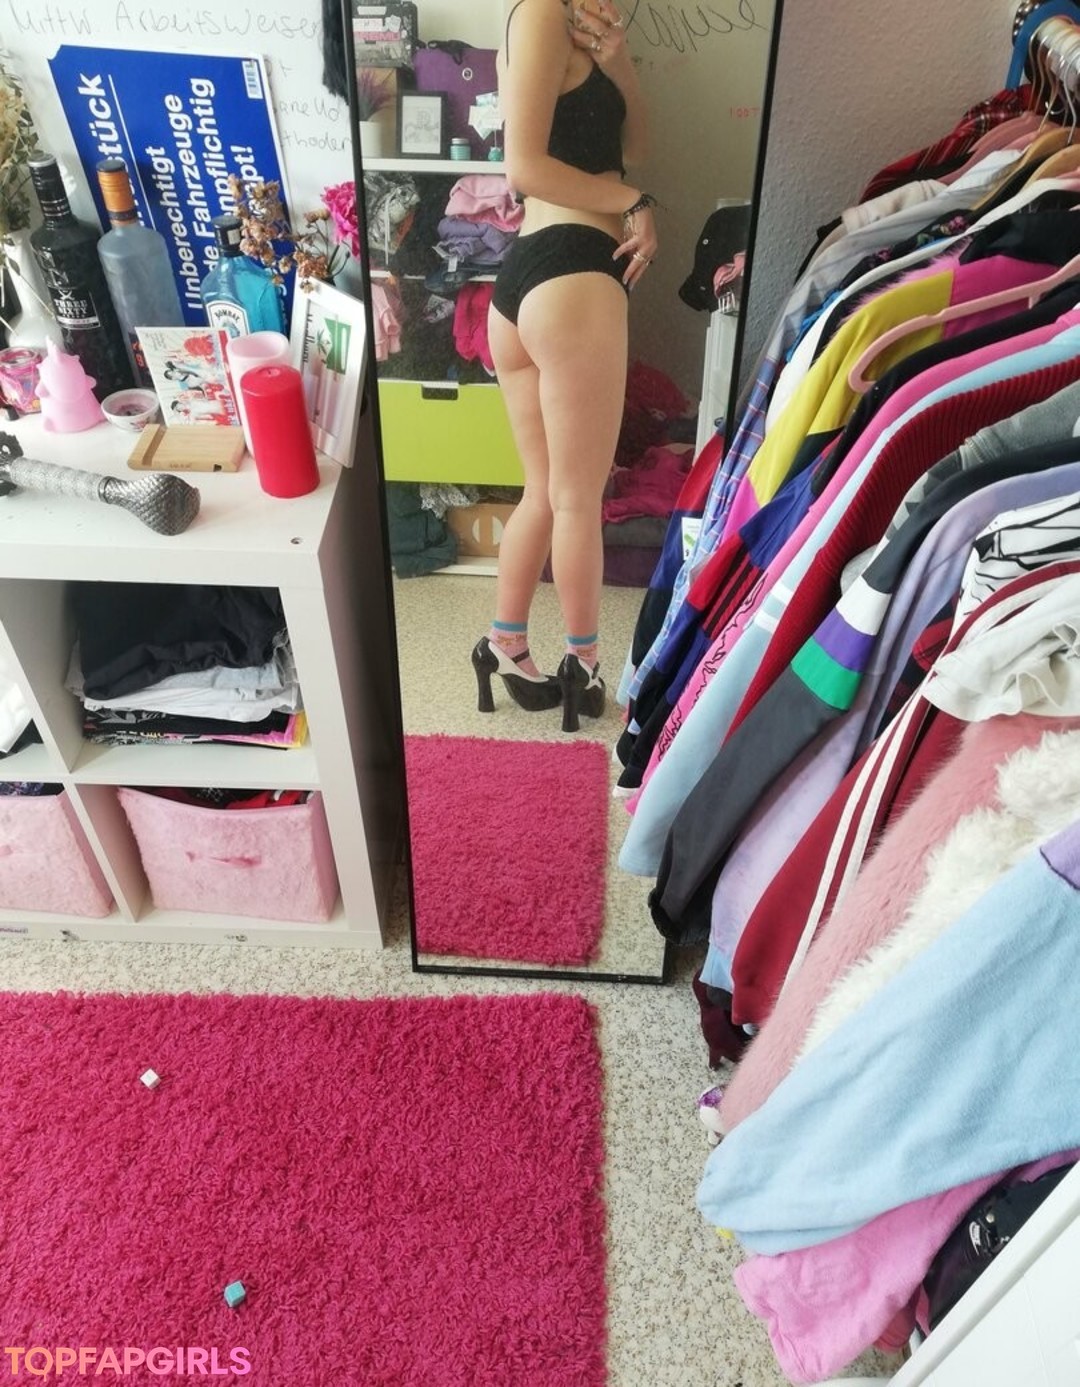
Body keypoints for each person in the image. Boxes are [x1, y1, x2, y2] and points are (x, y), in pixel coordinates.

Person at [470, 0, 657, 733]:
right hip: (572, 273)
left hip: (530, 282)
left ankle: (504, 644)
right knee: (578, 499)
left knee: (545, 493)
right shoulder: (542, 10)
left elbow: (635, 150)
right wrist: (634, 203)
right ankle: (584, 664)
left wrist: (620, 65)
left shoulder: (570, 25)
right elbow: (524, 167)